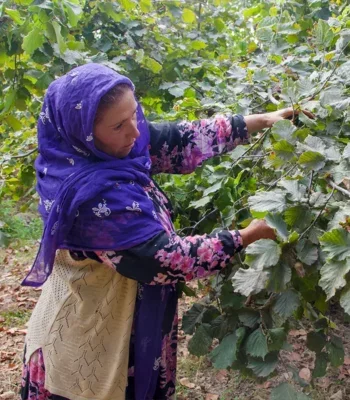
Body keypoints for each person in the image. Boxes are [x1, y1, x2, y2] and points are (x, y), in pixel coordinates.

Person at [20, 63, 297, 400]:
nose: (135, 132)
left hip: (126, 318)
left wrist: (261, 120)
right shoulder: (92, 200)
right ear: (84, 134)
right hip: (91, 335)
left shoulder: (111, 149)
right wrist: (246, 236)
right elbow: (165, 259)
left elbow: (177, 138)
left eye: (134, 115)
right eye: (120, 125)